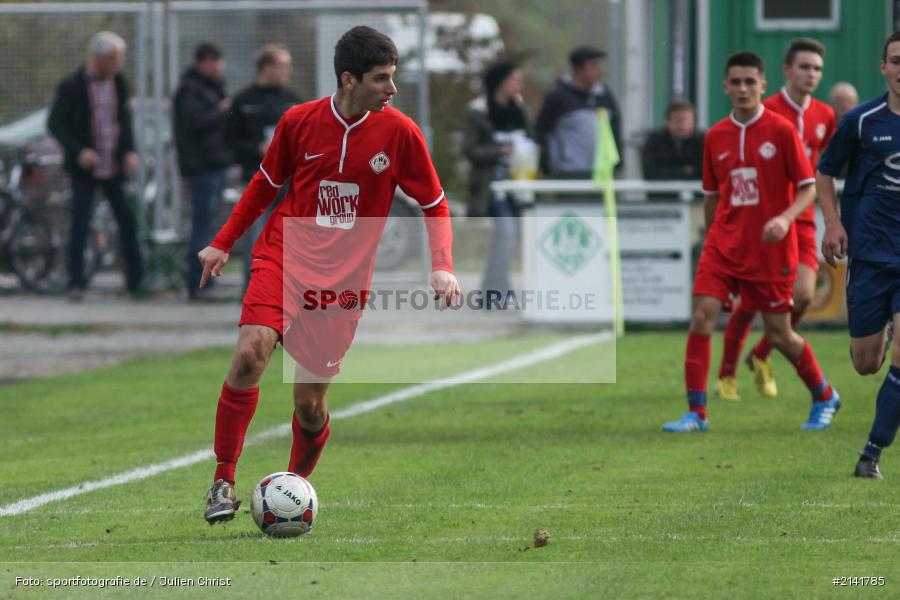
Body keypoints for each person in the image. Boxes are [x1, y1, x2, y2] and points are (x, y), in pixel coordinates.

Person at [197, 26, 460, 522]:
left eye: (393, 77)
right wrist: (222, 242)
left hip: (341, 284)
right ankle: (223, 482)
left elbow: (434, 202)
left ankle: (293, 493)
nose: (392, 88)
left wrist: (442, 266)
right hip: (285, 256)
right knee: (251, 353)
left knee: (310, 406)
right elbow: (263, 185)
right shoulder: (298, 122)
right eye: (381, 78)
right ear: (348, 79)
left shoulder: (400, 133)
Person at [662, 51, 839, 433]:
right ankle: (697, 413)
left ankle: (824, 394)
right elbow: (712, 194)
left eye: (749, 82)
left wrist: (784, 218)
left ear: (762, 85)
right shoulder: (715, 136)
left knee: (779, 333)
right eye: (735, 82)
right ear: (725, 87)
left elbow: (809, 188)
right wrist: (711, 238)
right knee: (701, 316)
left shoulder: (781, 131)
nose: (743, 89)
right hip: (724, 247)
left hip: (771, 251)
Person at [715, 39, 836, 402]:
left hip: (800, 215)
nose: (810, 75)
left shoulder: (825, 115)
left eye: (816, 68)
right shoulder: (765, 109)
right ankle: (726, 375)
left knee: (803, 296)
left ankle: (763, 353)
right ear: (786, 71)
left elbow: (824, 166)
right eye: (803, 67)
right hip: (767, 219)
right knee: (751, 301)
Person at [818, 31, 900, 478]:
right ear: (883, 67)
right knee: (865, 364)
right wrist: (833, 223)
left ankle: (871, 453)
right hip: (870, 255)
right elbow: (826, 170)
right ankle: (880, 335)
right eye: (896, 60)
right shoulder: (862, 120)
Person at [47, 31, 144, 301]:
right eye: (114, 59)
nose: (118, 64)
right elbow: (55, 123)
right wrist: (78, 151)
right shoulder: (72, 85)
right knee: (80, 224)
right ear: (99, 58)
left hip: (114, 168)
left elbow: (124, 121)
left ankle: (136, 281)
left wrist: (129, 151)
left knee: (127, 220)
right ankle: (75, 283)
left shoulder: (119, 83)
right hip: (85, 170)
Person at [226, 43, 301, 291]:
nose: (288, 70)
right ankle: (252, 293)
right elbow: (230, 142)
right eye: (283, 65)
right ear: (267, 68)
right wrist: (258, 149)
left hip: (290, 184)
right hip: (256, 181)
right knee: (257, 240)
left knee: (292, 241)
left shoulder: (293, 100)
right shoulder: (243, 101)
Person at [463, 61, 531, 307]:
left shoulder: (519, 109)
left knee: (504, 239)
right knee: (506, 233)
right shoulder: (479, 111)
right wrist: (499, 151)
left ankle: (488, 295)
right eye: (514, 79)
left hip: (518, 186)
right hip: (491, 189)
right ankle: (502, 293)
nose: (518, 85)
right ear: (501, 82)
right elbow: (470, 149)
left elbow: (530, 140)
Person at [173, 42, 232, 299]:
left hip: (215, 164)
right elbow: (193, 124)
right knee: (202, 225)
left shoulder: (210, 87)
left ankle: (206, 282)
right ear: (203, 62)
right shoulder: (191, 90)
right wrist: (220, 112)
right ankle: (199, 283)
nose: (220, 67)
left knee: (208, 224)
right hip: (202, 166)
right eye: (215, 61)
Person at [535, 45, 622, 178]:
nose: (599, 71)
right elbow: (542, 134)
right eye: (593, 66)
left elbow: (615, 130)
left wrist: (618, 164)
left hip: (604, 173)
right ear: (578, 69)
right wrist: (547, 168)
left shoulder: (605, 95)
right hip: (570, 174)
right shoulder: (558, 97)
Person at [641, 99, 704, 180]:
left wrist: (670, 171)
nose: (683, 124)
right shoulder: (655, 140)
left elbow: (706, 172)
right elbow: (649, 172)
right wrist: (686, 171)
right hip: (662, 191)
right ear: (667, 121)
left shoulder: (703, 140)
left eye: (688, 120)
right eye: (678, 120)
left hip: (697, 192)